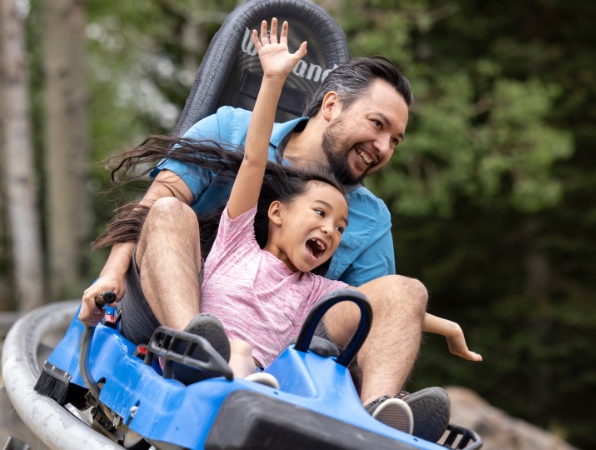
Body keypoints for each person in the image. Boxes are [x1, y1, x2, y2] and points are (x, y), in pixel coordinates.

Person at [81, 18, 481, 441]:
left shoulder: (369, 217)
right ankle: (194, 350)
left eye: (396, 140)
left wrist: (435, 323)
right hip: (172, 305)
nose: (383, 148)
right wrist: (108, 278)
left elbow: (373, 313)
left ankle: (375, 421)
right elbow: (155, 208)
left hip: (279, 342)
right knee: (167, 211)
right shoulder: (231, 131)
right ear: (330, 106)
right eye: (377, 125)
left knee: (406, 290)